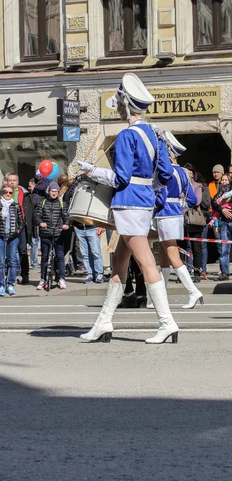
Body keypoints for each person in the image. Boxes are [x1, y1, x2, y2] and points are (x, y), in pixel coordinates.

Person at [77, 73, 177, 344]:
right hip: (143, 202)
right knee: (119, 263)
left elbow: (119, 178)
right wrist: (146, 186)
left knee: (146, 263)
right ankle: (104, 322)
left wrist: (91, 171)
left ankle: (167, 322)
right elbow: (165, 175)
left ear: (127, 105)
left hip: (129, 203)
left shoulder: (125, 136)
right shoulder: (154, 135)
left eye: (119, 103)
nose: (117, 108)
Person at [153, 132, 203, 308]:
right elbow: (191, 199)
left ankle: (193, 291)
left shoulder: (164, 172)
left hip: (164, 213)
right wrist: (179, 207)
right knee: (163, 253)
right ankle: (162, 295)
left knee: (172, 254)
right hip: (174, 213)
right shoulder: (183, 172)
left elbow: (160, 196)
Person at [35, 181, 69, 290]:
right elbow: (37, 216)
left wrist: (66, 225)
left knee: (60, 257)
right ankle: (42, 280)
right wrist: (41, 223)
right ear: (48, 192)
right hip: (45, 234)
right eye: (52, 191)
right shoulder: (43, 202)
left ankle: (61, 279)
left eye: (56, 191)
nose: (54, 193)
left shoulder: (61, 203)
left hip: (58, 234)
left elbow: (66, 216)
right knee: (44, 258)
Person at [182, 163, 209, 283]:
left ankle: (197, 272)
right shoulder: (179, 184)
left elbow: (197, 201)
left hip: (194, 219)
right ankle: (182, 273)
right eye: (186, 173)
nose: (188, 175)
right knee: (181, 247)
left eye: (190, 173)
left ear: (193, 174)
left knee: (196, 247)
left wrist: (183, 199)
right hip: (181, 218)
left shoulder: (197, 186)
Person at [7, 173, 30, 285]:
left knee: (22, 250)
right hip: (7, 226)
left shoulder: (23, 193)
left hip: (20, 225)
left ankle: (25, 274)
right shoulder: (2, 192)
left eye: (14, 180)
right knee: (8, 252)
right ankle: (10, 275)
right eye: (10, 180)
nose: (11, 182)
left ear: (17, 181)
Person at [0, 185, 23, 296]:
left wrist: (17, 231)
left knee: (12, 261)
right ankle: (1, 285)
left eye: (10, 192)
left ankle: (10, 284)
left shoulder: (16, 205)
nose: (8, 194)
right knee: (1, 262)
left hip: (13, 237)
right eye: (6, 192)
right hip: (1, 236)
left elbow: (21, 222)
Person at [24, 179, 40, 270]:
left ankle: (34, 263)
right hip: (30, 223)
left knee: (34, 242)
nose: (29, 188)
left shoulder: (36, 196)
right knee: (33, 242)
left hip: (35, 223)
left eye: (30, 186)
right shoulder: (29, 195)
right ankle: (33, 262)